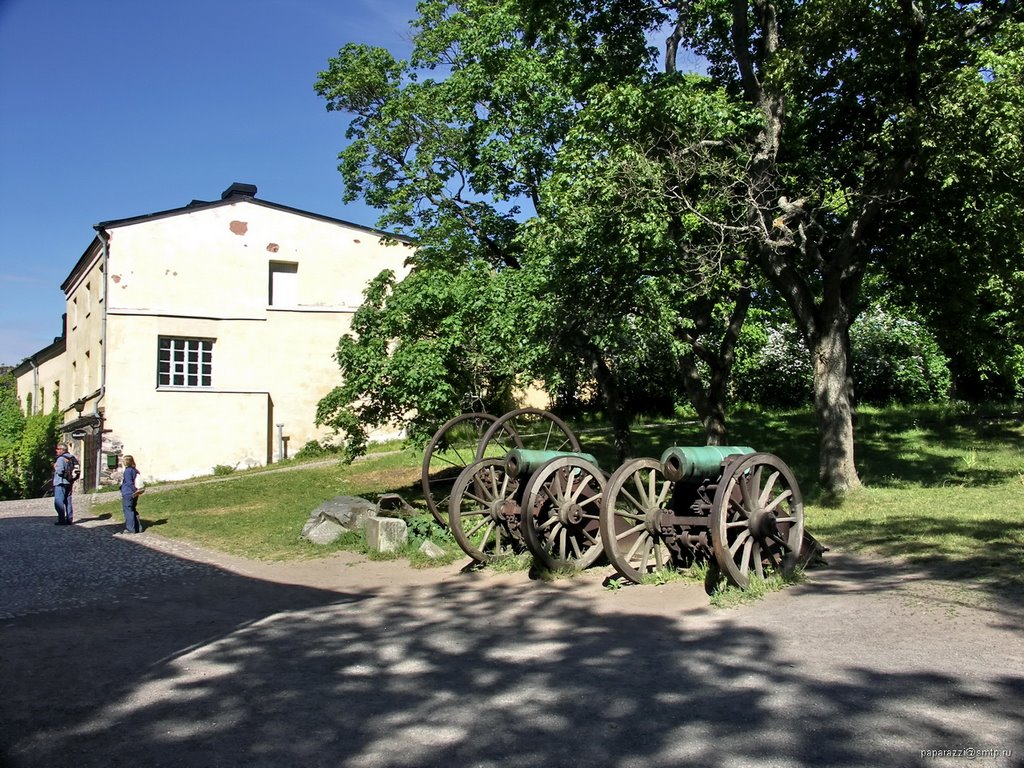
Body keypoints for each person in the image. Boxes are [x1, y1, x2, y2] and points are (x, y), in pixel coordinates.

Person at [120, 454, 146, 533]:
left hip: (129, 493)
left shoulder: (127, 471)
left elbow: (129, 482)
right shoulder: (135, 470)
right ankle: (138, 528)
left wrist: (134, 490)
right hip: (134, 493)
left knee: (128, 510)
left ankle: (131, 529)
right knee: (133, 509)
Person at [52, 443, 75, 525]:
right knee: (68, 501)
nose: (56, 450)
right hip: (68, 482)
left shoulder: (60, 459)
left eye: (58, 449)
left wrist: (55, 467)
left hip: (60, 482)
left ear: (62, 450)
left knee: (58, 502)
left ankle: (61, 520)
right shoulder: (71, 458)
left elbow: (60, 471)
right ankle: (69, 519)